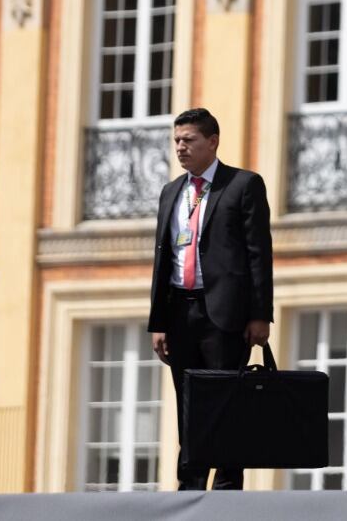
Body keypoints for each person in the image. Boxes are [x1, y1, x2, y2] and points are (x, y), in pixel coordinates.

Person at [148, 107, 273, 491]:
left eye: (189, 140)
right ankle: (190, 485)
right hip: (180, 311)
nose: (181, 148)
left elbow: (258, 253)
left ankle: (227, 488)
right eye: (177, 141)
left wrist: (259, 314)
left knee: (226, 402)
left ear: (212, 142)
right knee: (189, 404)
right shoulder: (172, 192)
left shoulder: (242, 184)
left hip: (225, 312)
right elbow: (163, 256)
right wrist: (158, 322)